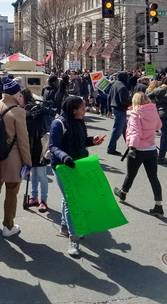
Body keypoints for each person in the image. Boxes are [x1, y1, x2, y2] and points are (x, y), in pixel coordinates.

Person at [49, 95, 103, 256]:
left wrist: (92, 141)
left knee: (70, 198)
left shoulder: (78, 121)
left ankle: (65, 227)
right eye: (82, 108)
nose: (85, 110)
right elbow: (53, 147)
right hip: (62, 167)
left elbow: (79, 141)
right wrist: (65, 158)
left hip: (78, 165)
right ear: (73, 111)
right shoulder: (58, 124)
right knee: (72, 201)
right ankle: (74, 239)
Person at [0, 79, 31, 237]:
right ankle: (8, 225)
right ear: (16, 93)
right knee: (11, 191)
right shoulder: (18, 112)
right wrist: (28, 163)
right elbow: (23, 141)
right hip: (13, 156)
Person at [114, 92, 163, 217]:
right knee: (153, 177)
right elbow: (158, 125)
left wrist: (132, 147)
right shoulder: (153, 110)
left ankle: (123, 193)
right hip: (151, 149)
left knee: (131, 174)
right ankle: (158, 205)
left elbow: (135, 131)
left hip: (137, 149)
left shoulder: (136, 113)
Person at [19, 88, 48, 212]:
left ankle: (44, 200)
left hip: (38, 145)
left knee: (42, 173)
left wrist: (26, 118)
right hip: (29, 145)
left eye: (20, 96)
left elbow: (39, 126)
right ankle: (34, 196)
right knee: (33, 172)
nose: (18, 99)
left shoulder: (36, 109)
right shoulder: (21, 109)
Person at [107, 72, 132, 156]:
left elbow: (109, 97)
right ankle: (111, 148)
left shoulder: (115, 84)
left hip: (115, 108)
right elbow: (123, 100)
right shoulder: (122, 87)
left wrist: (109, 109)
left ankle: (131, 147)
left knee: (125, 129)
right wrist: (131, 102)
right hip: (120, 109)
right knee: (117, 130)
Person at [148, 77, 167, 164]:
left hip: (160, 113)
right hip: (165, 113)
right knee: (165, 135)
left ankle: (160, 155)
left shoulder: (157, 90)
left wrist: (155, 105)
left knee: (164, 134)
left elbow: (148, 96)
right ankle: (161, 156)